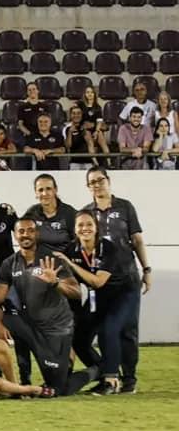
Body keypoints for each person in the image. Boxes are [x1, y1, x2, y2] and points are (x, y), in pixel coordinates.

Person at [0, 217, 93, 395]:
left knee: (58, 388)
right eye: (21, 231)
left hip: (57, 328)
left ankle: (96, 371)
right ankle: (19, 381)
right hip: (32, 325)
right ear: (15, 235)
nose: (26, 235)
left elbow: (77, 292)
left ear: (37, 233)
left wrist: (55, 282)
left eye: (30, 230)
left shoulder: (52, 259)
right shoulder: (9, 263)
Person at [55, 211, 142, 396]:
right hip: (98, 297)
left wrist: (71, 264)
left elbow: (98, 281)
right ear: (74, 229)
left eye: (89, 224)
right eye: (80, 225)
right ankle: (104, 372)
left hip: (123, 293)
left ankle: (112, 380)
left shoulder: (108, 247)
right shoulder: (71, 250)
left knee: (109, 329)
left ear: (96, 228)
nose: (85, 228)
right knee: (79, 338)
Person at [82, 166, 150, 394]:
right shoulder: (86, 213)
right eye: (92, 182)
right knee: (100, 330)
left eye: (100, 180)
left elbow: (137, 240)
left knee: (127, 331)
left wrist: (147, 269)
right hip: (102, 283)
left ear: (108, 180)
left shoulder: (125, 207)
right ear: (88, 186)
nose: (97, 185)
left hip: (127, 279)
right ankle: (109, 374)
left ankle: (129, 379)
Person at [24, 173, 77, 254]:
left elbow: (78, 242)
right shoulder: (32, 212)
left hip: (63, 260)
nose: (44, 193)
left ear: (55, 190)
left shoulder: (69, 213)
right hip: (38, 260)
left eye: (48, 189)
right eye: (40, 190)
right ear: (36, 193)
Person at [63, 106, 101, 170]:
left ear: (81, 115)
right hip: (75, 162)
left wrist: (94, 127)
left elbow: (105, 127)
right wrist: (70, 132)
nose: (76, 115)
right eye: (74, 113)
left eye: (78, 113)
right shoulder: (67, 129)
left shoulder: (87, 126)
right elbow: (68, 146)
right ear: (70, 115)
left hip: (89, 162)